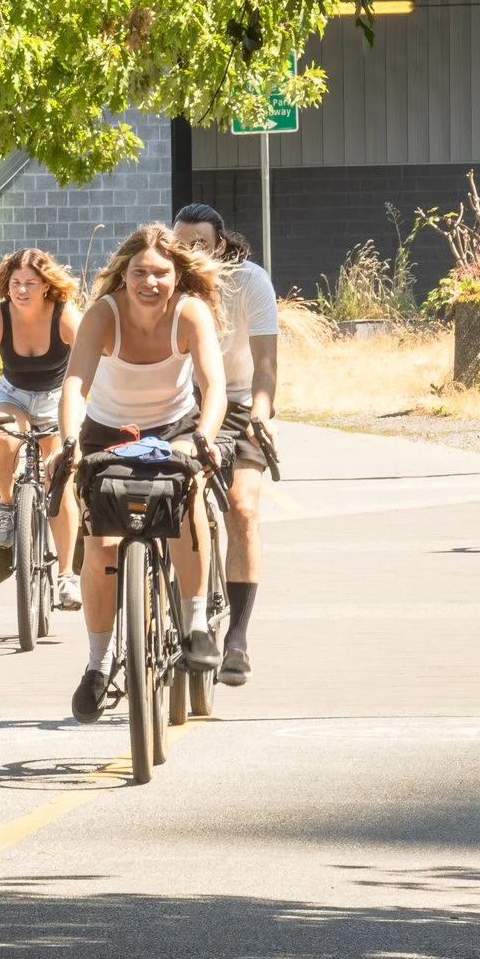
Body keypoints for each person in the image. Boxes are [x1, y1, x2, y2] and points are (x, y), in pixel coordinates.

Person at [65, 224, 227, 723]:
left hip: (174, 426)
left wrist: (206, 436)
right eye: (140, 272)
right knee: (103, 544)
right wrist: (69, 441)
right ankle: (98, 662)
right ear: (125, 274)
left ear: (178, 276)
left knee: (187, 496)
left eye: (161, 273)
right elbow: (74, 385)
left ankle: (195, 623)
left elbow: (212, 384)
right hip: (108, 430)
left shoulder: (190, 313)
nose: (150, 282)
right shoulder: (104, 314)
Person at [173, 204, 279, 684]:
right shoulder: (161, 280)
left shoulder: (250, 282)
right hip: (179, 403)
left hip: (236, 403)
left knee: (243, 508)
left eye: (199, 245)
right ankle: (171, 613)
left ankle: (236, 637)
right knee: (170, 499)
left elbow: (265, 366)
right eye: (180, 245)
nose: (188, 254)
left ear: (220, 245)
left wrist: (260, 414)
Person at [0, 247, 85, 613]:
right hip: (13, 395)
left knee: (60, 480)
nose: (22, 290)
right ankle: (8, 505)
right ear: (6, 286)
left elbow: (92, 364)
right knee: (2, 433)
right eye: (15, 283)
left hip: (58, 398)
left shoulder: (65, 317)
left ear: (46, 286)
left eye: (30, 283)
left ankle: (66, 578)